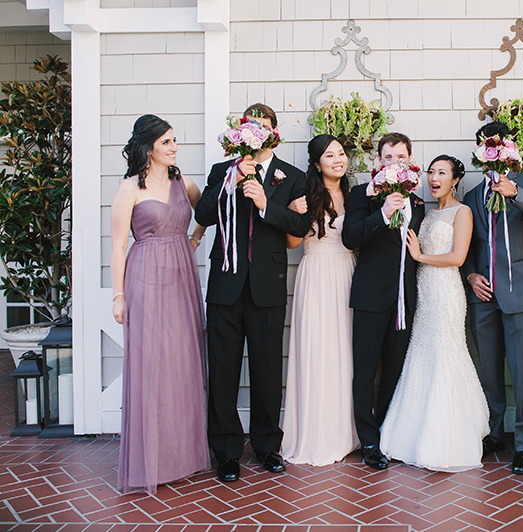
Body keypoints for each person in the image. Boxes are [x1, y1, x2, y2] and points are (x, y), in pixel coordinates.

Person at [194, 103, 310, 482]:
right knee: (223, 372)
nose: (255, 131)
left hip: (267, 287)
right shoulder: (220, 171)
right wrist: (232, 178)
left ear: (274, 131)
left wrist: (265, 203)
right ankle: (226, 452)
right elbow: (204, 215)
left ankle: (266, 446)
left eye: (262, 126)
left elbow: (299, 224)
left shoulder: (291, 177)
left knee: (265, 371)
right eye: (249, 126)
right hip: (225, 287)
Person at [110, 114, 210, 493]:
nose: (174, 147)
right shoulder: (129, 188)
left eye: (174, 141)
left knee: (182, 363)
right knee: (152, 366)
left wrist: (195, 240)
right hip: (145, 277)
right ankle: (150, 458)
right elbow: (118, 246)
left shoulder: (185, 184)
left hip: (182, 277)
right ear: (148, 147)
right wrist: (118, 296)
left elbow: (205, 214)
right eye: (167, 141)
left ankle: (181, 457)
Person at [380, 155, 490, 472]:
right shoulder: (426, 216)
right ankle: (412, 434)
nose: (434, 177)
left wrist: (420, 255)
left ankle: (447, 437)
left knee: (446, 354)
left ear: (455, 179)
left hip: (446, 293)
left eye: (442, 172)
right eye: (431, 172)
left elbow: (457, 258)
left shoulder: (463, 211)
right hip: (424, 295)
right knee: (422, 355)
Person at [462, 121, 523, 475]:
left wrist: (514, 192)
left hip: (522, 290)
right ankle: (494, 433)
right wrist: (472, 275)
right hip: (483, 294)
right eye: (487, 147)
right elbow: (469, 244)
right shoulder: (472, 194)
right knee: (488, 370)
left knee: (522, 372)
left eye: (500, 145)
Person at [342, 132, 425, 470]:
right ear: (379, 162)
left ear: (410, 160)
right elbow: (350, 237)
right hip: (370, 295)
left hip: (405, 298)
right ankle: (370, 440)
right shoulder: (363, 194)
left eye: (401, 157)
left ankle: (388, 431)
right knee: (365, 370)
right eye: (389, 158)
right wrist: (381, 214)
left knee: (394, 368)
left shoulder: (416, 201)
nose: (395, 163)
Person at [280, 134, 359, 465]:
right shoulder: (307, 194)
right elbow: (292, 243)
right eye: (330, 155)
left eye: (341, 154)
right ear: (316, 163)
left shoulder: (356, 196)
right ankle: (316, 432)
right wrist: (290, 211)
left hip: (350, 273)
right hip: (316, 275)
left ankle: (346, 431)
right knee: (318, 351)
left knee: (346, 352)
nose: (338, 160)